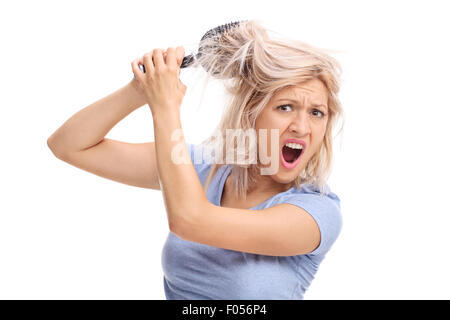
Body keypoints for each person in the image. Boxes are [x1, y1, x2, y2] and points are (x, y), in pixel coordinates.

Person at [47, 20, 344, 300]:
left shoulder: (317, 212)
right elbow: (69, 145)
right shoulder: (201, 167)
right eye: (285, 107)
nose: (302, 127)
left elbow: (189, 220)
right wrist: (140, 90)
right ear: (251, 112)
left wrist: (165, 106)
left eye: (316, 113)